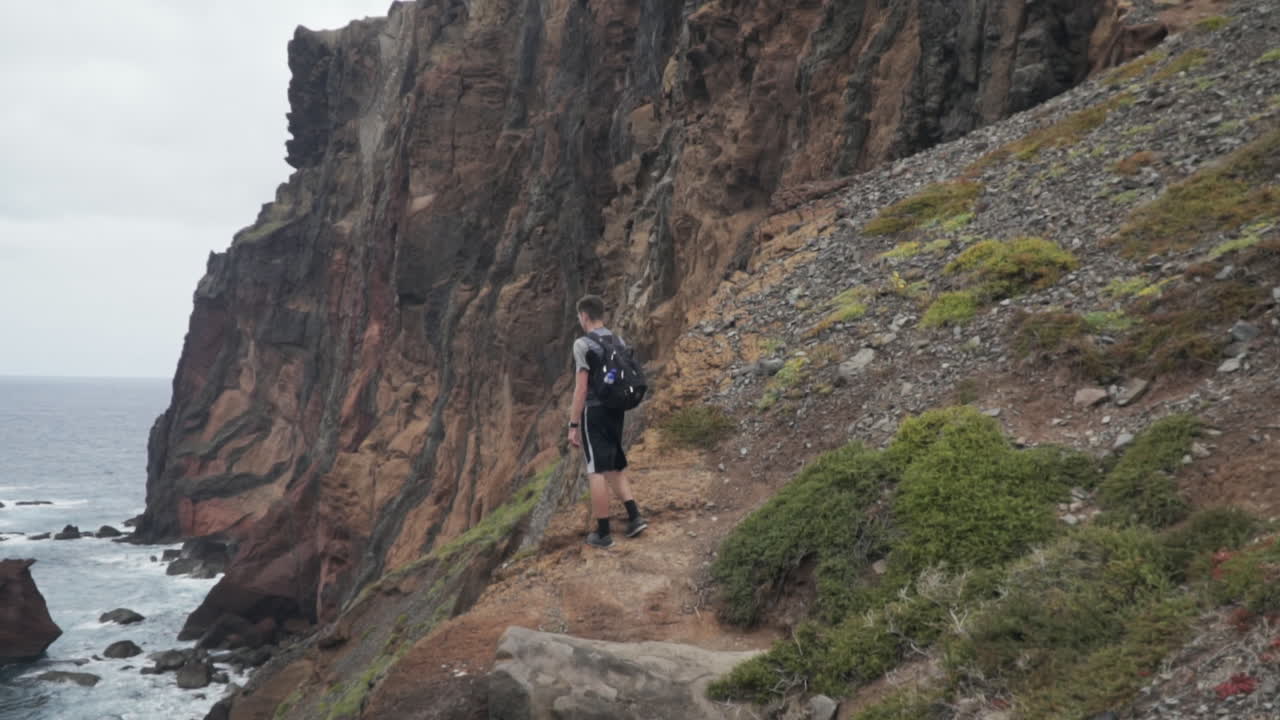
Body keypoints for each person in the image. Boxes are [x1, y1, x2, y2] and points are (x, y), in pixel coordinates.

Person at [567, 295, 647, 548]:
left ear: (584, 316)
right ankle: (634, 517)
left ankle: (603, 533)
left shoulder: (583, 344)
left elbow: (581, 389)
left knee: (596, 469)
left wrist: (573, 425)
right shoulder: (617, 339)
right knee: (613, 463)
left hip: (594, 411)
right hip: (616, 409)